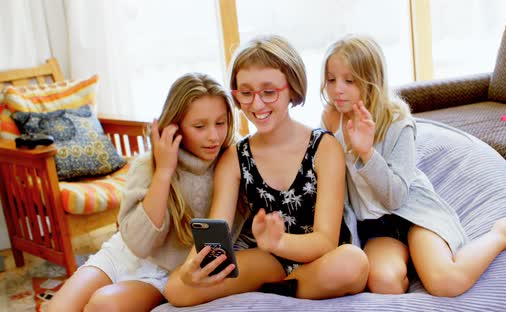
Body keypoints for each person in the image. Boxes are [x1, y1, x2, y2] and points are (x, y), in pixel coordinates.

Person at [320, 35, 506, 297]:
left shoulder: (397, 122)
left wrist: (367, 153)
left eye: (349, 80)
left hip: (413, 214)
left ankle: (502, 234)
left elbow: (396, 197)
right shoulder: (331, 119)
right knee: (385, 283)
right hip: (377, 226)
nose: (337, 89)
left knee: (446, 283)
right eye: (331, 79)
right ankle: (409, 264)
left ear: (371, 80)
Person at [164, 35, 369, 307]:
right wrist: (193, 269)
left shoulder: (324, 147)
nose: (257, 105)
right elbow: (216, 233)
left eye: (269, 92)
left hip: (320, 257)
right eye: (246, 93)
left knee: (354, 263)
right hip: (267, 262)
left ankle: (281, 289)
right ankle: (291, 287)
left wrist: (278, 241)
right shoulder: (235, 157)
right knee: (177, 289)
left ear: (292, 89)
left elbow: (325, 241)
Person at [48, 72, 237, 312]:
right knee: (57, 309)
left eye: (221, 123)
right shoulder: (148, 165)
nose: (214, 136)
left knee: (103, 306)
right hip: (123, 254)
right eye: (200, 126)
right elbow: (137, 244)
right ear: (175, 126)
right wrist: (164, 171)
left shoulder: (232, 165)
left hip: (167, 273)